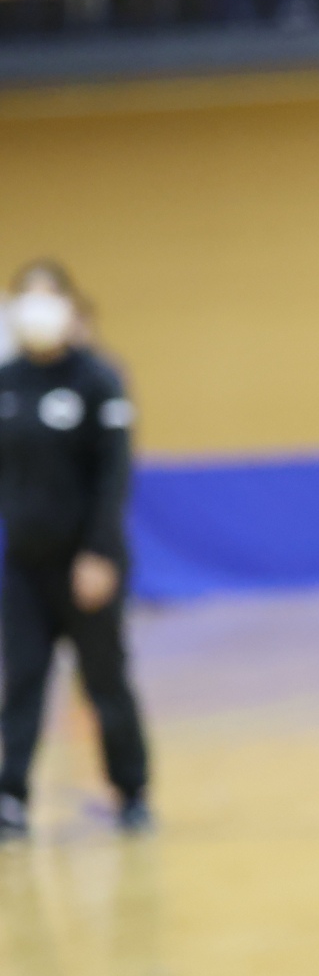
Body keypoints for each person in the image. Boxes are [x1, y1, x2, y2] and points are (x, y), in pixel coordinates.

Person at [0, 263, 149, 841]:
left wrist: (99, 552)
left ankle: (131, 791)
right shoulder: (7, 381)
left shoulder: (97, 379)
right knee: (23, 680)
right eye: (27, 298)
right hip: (25, 565)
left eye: (48, 297)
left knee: (104, 681)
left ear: (70, 307)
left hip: (87, 563)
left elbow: (114, 473)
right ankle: (11, 796)